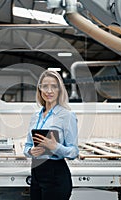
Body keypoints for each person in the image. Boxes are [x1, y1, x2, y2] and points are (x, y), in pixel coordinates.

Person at [23, 70, 79, 200]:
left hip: (56, 176)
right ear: (40, 89)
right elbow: (27, 146)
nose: (49, 91)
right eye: (45, 86)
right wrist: (31, 151)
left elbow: (74, 152)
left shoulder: (67, 116)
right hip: (36, 173)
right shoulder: (35, 116)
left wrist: (55, 147)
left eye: (54, 86)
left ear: (60, 90)